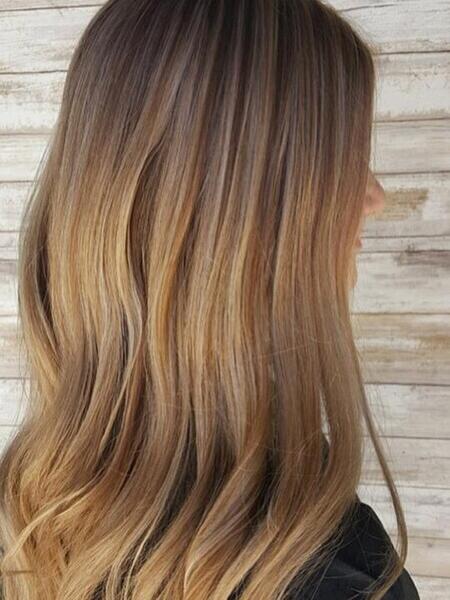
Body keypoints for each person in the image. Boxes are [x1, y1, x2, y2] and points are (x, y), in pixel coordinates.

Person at [0, 1, 421, 599]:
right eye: (338, 159)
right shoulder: (340, 579)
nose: (373, 196)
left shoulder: (26, 514)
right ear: (240, 214)